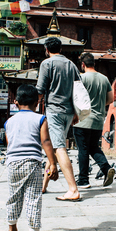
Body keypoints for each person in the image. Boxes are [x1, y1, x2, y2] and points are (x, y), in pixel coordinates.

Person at [4, 84, 58, 231]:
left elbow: (9, 143)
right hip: (32, 163)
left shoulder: (9, 122)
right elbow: (45, 141)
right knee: (33, 199)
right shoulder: (40, 119)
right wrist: (53, 163)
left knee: (13, 197)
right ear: (37, 102)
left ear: (16, 102)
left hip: (12, 163)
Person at [36, 37, 81, 201]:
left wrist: (31, 108)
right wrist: (76, 111)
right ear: (60, 48)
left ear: (46, 49)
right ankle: (44, 185)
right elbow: (78, 89)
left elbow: (40, 89)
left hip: (54, 110)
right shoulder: (71, 64)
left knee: (59, 147)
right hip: (69, 111)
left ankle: (73, 189)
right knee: (55, 146)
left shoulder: (46, 64)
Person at [73, 52, 115, 188]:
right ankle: (106, 168)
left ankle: (83, 180)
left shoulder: (81, 78)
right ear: (94, 63)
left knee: (83, 149)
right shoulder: (104, 79)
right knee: (93, 147)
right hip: (98, 120)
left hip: (82, 119)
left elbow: (75, 97)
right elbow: (110, 99)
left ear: (83, 64)